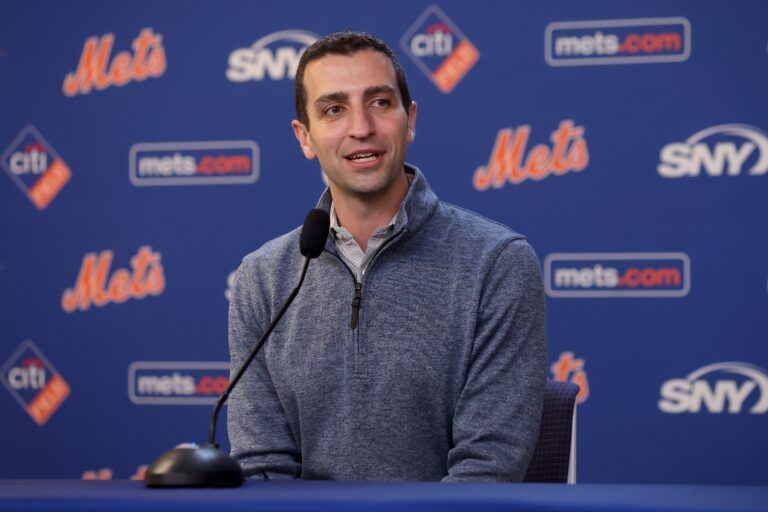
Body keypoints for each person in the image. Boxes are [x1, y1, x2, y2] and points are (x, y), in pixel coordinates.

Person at [228, 31, 546, 482]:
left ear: (409, 119)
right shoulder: (261, 278)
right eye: (333, 109)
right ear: (305, 137)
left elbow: (486, 470)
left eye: (379, 102)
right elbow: (263, 468)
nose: (361, 127)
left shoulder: (497, 263)